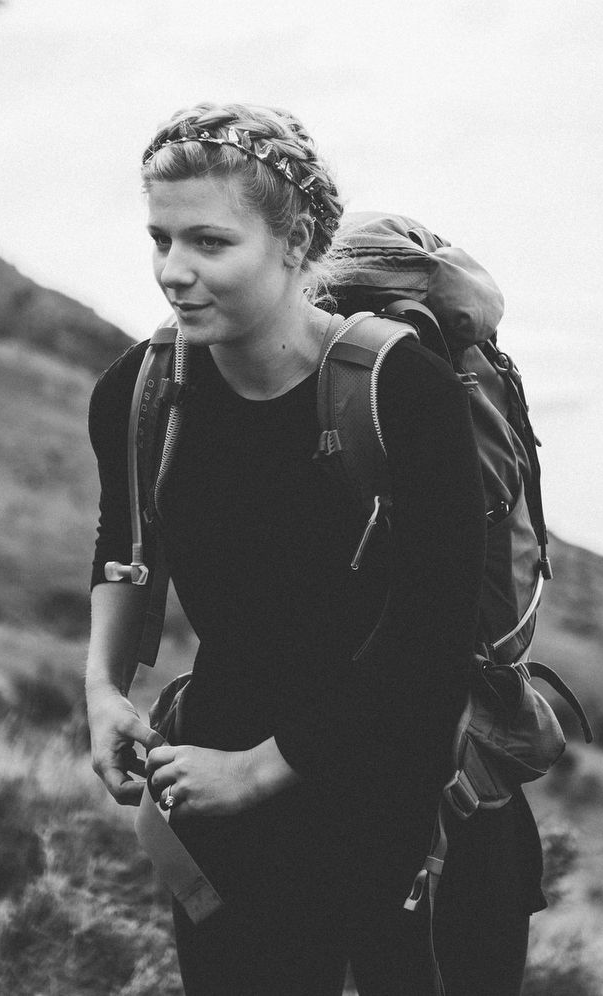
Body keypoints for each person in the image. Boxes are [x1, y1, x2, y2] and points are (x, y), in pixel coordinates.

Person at [83, 102, 545, 995]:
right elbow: (122, 544)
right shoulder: (139, 394)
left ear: (295, 242)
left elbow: (429, 635)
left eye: (210, 244)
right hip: (218, 794)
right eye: (160, 239)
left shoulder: (399, 392)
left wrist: (259, 771)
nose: (173, 273)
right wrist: (103, 691)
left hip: (409, 801)